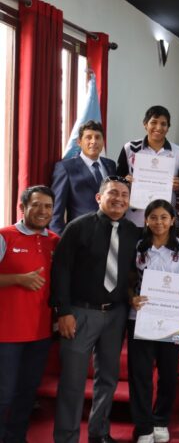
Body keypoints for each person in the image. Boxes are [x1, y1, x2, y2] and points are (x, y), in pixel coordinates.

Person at [51, 176, 141, 443]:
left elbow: (132, 272)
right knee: (73, 382)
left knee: (108, 379)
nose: (119, 199)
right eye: (113, 193)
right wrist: (63, 312)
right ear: (99, 197)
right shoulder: (78, 227)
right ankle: (66, 438)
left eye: (125, 195)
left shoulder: (132, 232)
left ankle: (99, 432)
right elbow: (61, 270)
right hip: (79, 314)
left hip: (115, 315)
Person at [128, 200, 179, 443]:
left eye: (164, 217)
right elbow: (128, 280)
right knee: (140, 374)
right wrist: (131, 298)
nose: (158, 222)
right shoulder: (137, 246)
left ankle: (161, 420)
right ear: (146, 220)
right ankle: (143, 427)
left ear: (173, 220)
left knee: (168, 373)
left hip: (171, 319)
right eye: (153, 217)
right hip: (140, 318)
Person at [0, 186, 59, 443]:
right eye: (37, 205)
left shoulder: (55, 241)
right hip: (6, 334)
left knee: (27, 393)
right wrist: (17, 279)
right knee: (4, 394)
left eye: (48, 206)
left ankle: (16, 438)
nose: (43, 211)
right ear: (23, 207)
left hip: (40, 334)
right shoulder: (5, 236)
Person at [115, 105, 179, 227]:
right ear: (145, 124)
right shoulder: (130, 148)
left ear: (168, 127)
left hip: (164, 219)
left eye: (163, 124)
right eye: (153, 122)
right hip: (134, 217)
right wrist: (124, 180)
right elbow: (117, 177)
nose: (158, 127)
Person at [50, 120, 117, 234]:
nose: (93, 141)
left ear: (103, 141)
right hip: (80, 235)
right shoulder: (66, 168)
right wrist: (60, 241)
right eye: (88, 137)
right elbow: (56, 211)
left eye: (97, 137)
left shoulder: (110, 165)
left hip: (110, 234)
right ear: (79, 142)